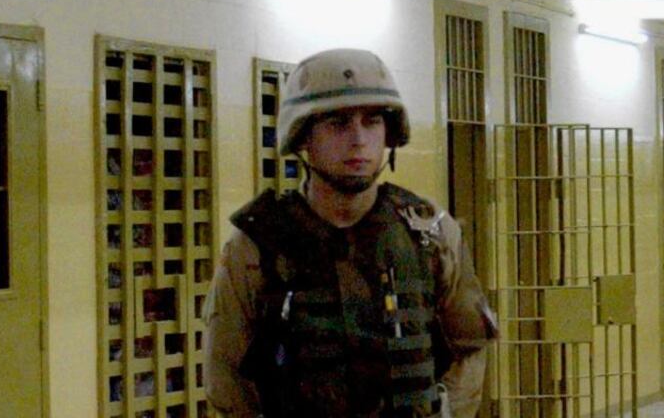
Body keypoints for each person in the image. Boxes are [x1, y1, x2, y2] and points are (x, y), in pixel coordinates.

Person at [204, 48, 498, 418]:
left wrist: (448, 412)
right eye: (338, 123)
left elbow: (469, 345)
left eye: (372, 121)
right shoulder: (254, 247)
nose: (359, 139)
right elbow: (226, 377)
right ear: (303, 138)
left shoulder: (430, 233)